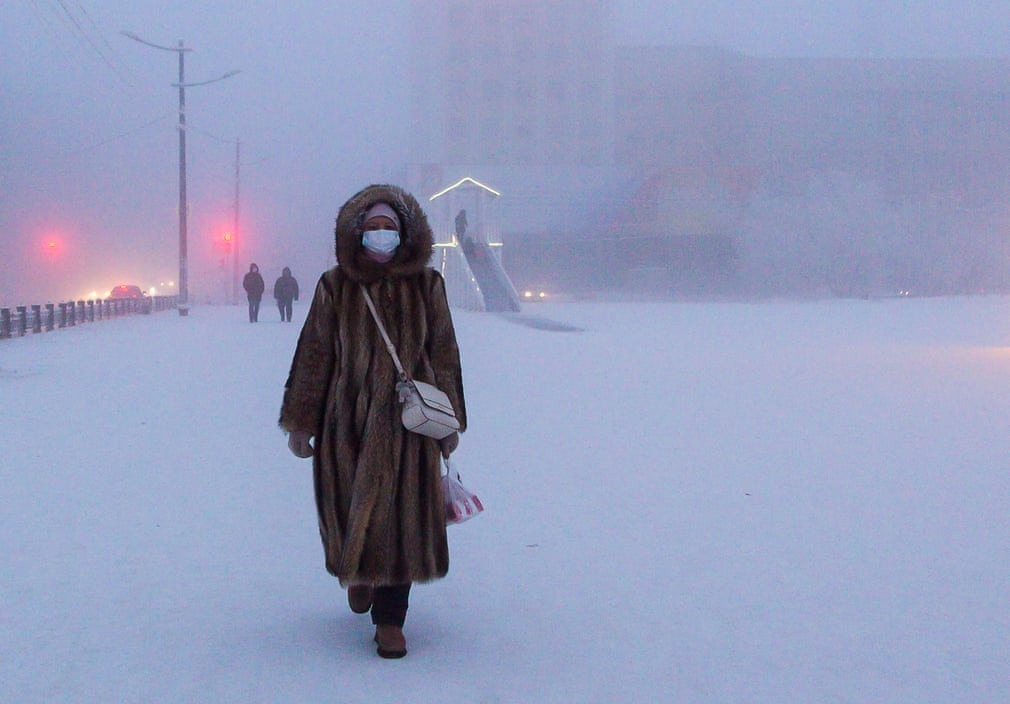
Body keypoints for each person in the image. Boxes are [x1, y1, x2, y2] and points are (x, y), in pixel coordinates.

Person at [279, 184, 466, 659]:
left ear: (405, 235)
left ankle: (390, 619)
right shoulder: (334, 286)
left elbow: (443, 352)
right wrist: (301, 422)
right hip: (346, 424)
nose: (380, 236)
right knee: (349, 510)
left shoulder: (427, 286)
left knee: (406, 518)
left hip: (410, 424)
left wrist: (449, 424)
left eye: (389, 228)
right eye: (371, 228)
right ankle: (358, 574)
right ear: (356, 233)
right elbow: (315, 354)